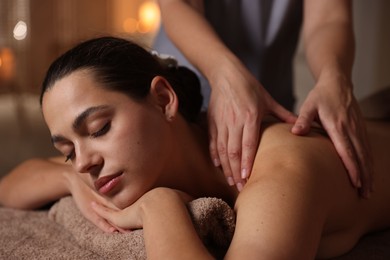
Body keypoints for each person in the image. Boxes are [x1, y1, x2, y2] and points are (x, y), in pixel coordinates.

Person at [0, 37, 389, 259]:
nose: (85, 162)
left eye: (99, 128)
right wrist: (69, 178)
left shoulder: (281, 170)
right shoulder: (101, 162)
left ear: (164, 100)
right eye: (68, 149)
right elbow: (10, 187)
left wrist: (159, 207)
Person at [154, 0, 373, 197]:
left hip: (272, 103)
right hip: (185, 85)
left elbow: (328, 17)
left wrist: (334, 77)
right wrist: (223, 72)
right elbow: (178, 4)